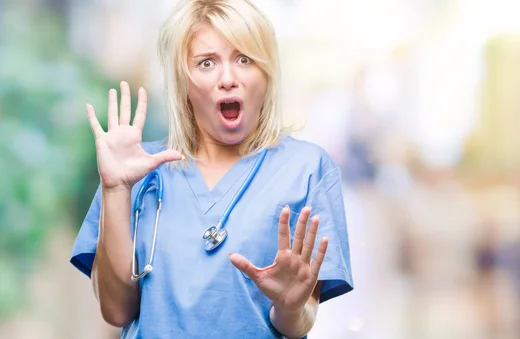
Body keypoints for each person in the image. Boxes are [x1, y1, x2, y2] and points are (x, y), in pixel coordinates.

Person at [69, 0, 354, 338]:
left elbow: (300, 321)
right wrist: (115, 190)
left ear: (266, 73)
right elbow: (116, 310)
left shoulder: (306, 169)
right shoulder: (136, 170)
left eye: (244, 59)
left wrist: (291, 307)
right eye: (206, 63)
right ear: (183, 82)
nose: (228, 79)